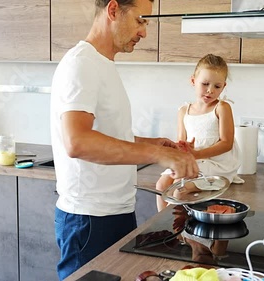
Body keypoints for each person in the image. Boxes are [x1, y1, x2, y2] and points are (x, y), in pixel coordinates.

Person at [49, 0, 199, 279]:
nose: (144, 32)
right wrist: (157, 156)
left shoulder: (102, 64)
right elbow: (77, 141)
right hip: (89, 219)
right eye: (140, 20)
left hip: (115, 212)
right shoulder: (81, 64)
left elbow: (108, 134)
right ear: (113, 10)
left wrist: (153, 144)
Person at [155, 54, 241, 212]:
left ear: (223, 86)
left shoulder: (222, 108)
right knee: (161, 185)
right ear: (193, 81)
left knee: (180, 190)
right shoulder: (183, 111)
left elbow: (226, 143)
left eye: (217, 86)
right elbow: (181, 141)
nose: (210, 90)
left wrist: (196, 154)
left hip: (216, 164)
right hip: (193, 159)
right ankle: (164, 226)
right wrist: (184, 147)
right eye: (205, 84)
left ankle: (175, 226)